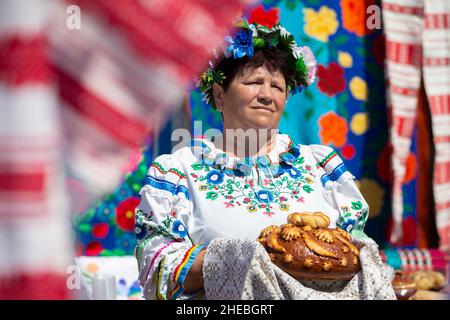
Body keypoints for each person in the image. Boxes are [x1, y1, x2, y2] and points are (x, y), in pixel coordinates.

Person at [134, 19, 370, 300]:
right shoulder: (179, 171)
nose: (267, 95)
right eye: (254, 82)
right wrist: (231, 260)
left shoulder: (321, 167)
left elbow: (356, 252)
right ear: (220, 96)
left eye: (277, 87)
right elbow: (156, 266)